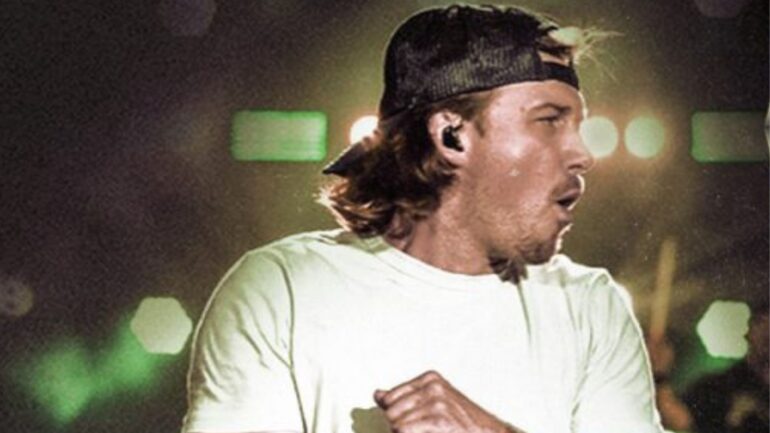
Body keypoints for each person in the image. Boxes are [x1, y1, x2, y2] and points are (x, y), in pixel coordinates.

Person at [182, 5, 664, 433]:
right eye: (550, 121)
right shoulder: (282, 292)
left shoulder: (590, 309)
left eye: (577, 126)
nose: (583, 154)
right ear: (452, 136)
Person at [680, 303, 769, 433]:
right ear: (749, 332)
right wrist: (659, 376)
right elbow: (682, 418)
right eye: (762, 323)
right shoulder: (718, 386)